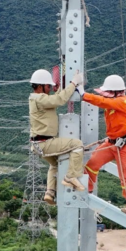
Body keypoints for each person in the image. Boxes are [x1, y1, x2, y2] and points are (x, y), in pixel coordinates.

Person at [28, 69, 86, 205]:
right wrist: (73, 83)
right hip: (45, 143)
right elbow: (59, 100)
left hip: (38, 144)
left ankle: (50, 192)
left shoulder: (37, 99)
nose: (50, 89)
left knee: (55, 164)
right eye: (48, 86)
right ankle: (71, 176)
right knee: (77, 145)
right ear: (41, 86)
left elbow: (56, 98)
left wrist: (61, 87)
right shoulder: (40, 98)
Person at [81, 75, 126, 213]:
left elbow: (100, 101)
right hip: (112, 143)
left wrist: (83, 94)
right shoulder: (112, 102)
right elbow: (103, 101)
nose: (105, 96)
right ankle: (87, 190)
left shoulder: (122, 101)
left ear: (115, 92)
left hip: (125, 145)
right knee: (92, 164)